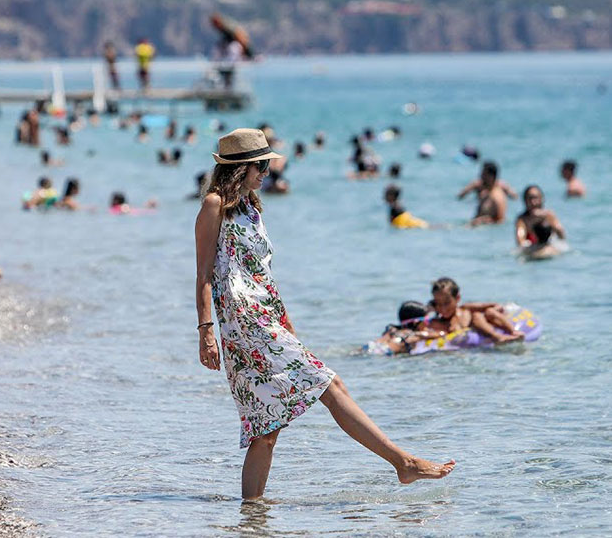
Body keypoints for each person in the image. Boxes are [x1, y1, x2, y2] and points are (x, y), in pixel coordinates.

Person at [194, 128, 454, 499]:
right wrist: (205, 331)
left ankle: (251, 515)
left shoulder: (252, 208)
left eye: (268, 165)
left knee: (266, 427)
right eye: (262, 166)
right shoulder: (214, 205)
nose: (267, 173)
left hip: (267, 321)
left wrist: (289, 328)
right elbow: (204, 274)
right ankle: (403, 463)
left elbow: (264, 279)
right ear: (240, 168)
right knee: (329, 385)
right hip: (244, 325)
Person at [425, 277, 524, 344]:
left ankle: (510, 332)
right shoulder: (437, 322)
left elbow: (496, 306)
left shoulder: (466, 308)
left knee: (479, 315)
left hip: (486, 330)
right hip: (466, 347)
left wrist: (491, 314)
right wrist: (428, 311)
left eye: (447, 303)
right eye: (438, 303)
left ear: (457, 298)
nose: (443, 308)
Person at [365, 301, 446, 355]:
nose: (428, 324)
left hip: (370, 347)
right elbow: (441, 334)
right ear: (415, 322)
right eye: (426, 320)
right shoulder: (412, 335)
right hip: (383, 352)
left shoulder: (393, 331)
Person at [515, 185, 567, 260]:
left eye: (535, 198)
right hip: (532, 252)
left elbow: (562, 236)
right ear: (525, 201)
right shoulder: (522, 219)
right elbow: (520, 242)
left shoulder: (549, 215)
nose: (533, 202)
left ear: (541, 199)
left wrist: (547, 218)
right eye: (530, 198)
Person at [459, 161, 511, 226]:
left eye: (483, 174)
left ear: (491, 176)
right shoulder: (484, 192)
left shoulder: (497, 196)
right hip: (476, 225)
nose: (480, 176)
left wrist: (482, 220)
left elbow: (500, 220)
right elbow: (460, 196)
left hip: (484, 227)